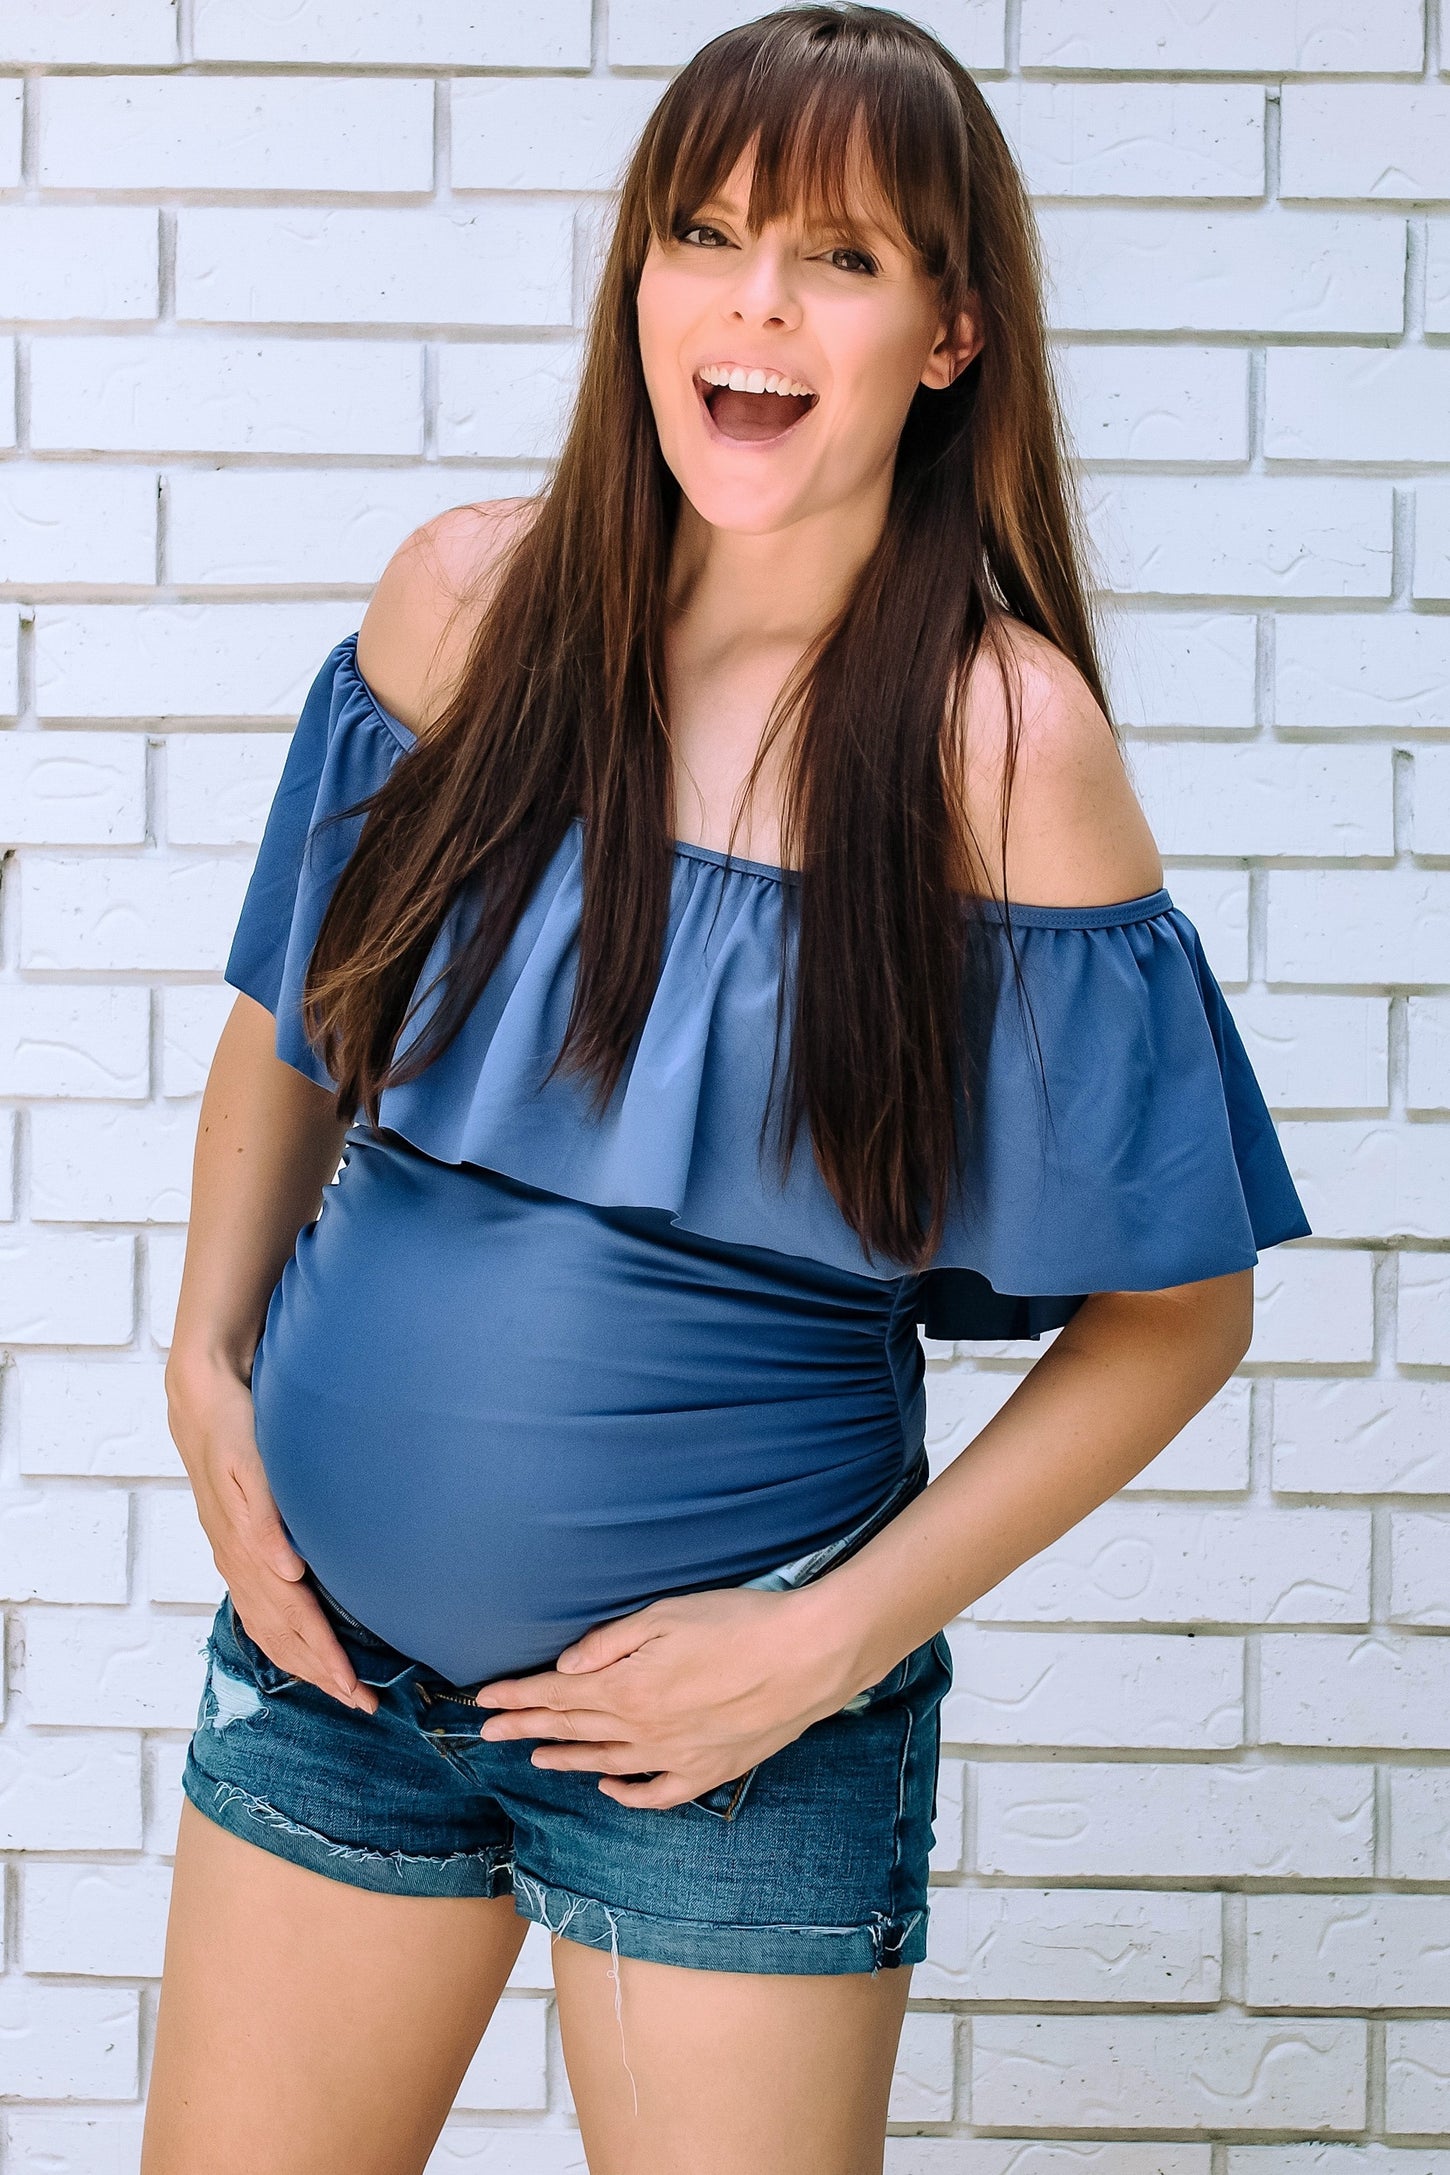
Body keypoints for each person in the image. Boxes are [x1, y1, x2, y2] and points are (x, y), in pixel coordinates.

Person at [142, 8, 1311, 2172]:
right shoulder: (464, 604)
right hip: (332, 1675)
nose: (755, 299)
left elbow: (1179, 1310)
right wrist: (206, 1379)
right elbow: (285, 1032)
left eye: (840, 259)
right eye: (705, 232)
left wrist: (816, 1646)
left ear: (947, 334)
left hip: (733, 1760)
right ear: (638, 284)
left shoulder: (996, 749)